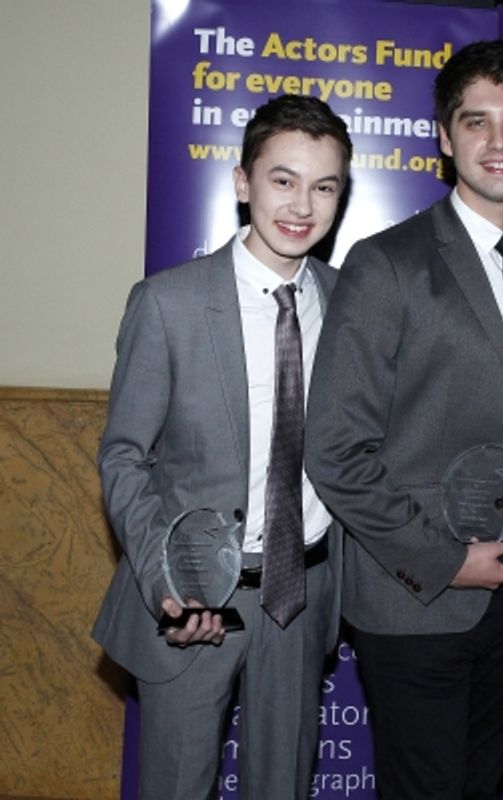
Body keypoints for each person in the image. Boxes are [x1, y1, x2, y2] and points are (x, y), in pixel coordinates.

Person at [304, 40, 503, 800]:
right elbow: (334, 450)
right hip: (417, 591)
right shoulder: (387, 263)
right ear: (443, 136)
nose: (499, 143)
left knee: (482, 785)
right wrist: (443, 559)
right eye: (476, 122)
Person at [92, 94, 352, 799]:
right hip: (194, 606)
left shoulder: (349, 302)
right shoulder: (167, 303)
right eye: (282, 179)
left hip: (301, 595)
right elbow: (124, 457)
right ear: (243, 183)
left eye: (324, 186)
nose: (302, 204)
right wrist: (170, 580)